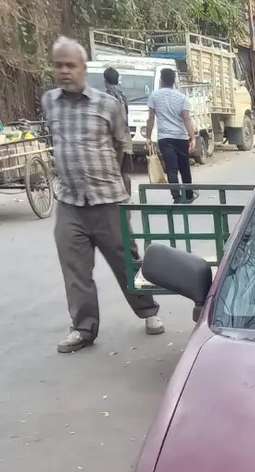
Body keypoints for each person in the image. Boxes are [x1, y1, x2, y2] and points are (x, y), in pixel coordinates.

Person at [41, 37, 163, 354]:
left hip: (107, 200)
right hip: (69, 202)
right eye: (59, 65)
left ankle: (148, 311)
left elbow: (122, 144)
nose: (65, 71)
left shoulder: (106, 104)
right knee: (75, 269)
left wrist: (121, 189)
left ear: (83, 67)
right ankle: (83, 328)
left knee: (127, 261)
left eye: (71, 65)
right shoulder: (49, 102)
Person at [145, 67, 197, 204]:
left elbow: (150, 119)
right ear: (174, 81)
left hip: (165, 138)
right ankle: (189, 195)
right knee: (184, 166)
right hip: (180, 137)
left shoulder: (154, 96)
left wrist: (148, 137)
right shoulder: (181, 97)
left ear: (161, 80)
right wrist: (193, 138)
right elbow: (187, 118)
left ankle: (177, 197)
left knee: (171, 168)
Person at [103, 66, 132, 193]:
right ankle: (128, 200)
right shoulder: (123, 95)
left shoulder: (107, 96)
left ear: (105, 80)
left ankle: (116, 200)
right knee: (124, 172)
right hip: (126, 138)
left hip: (114, 140)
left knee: (112, 173)